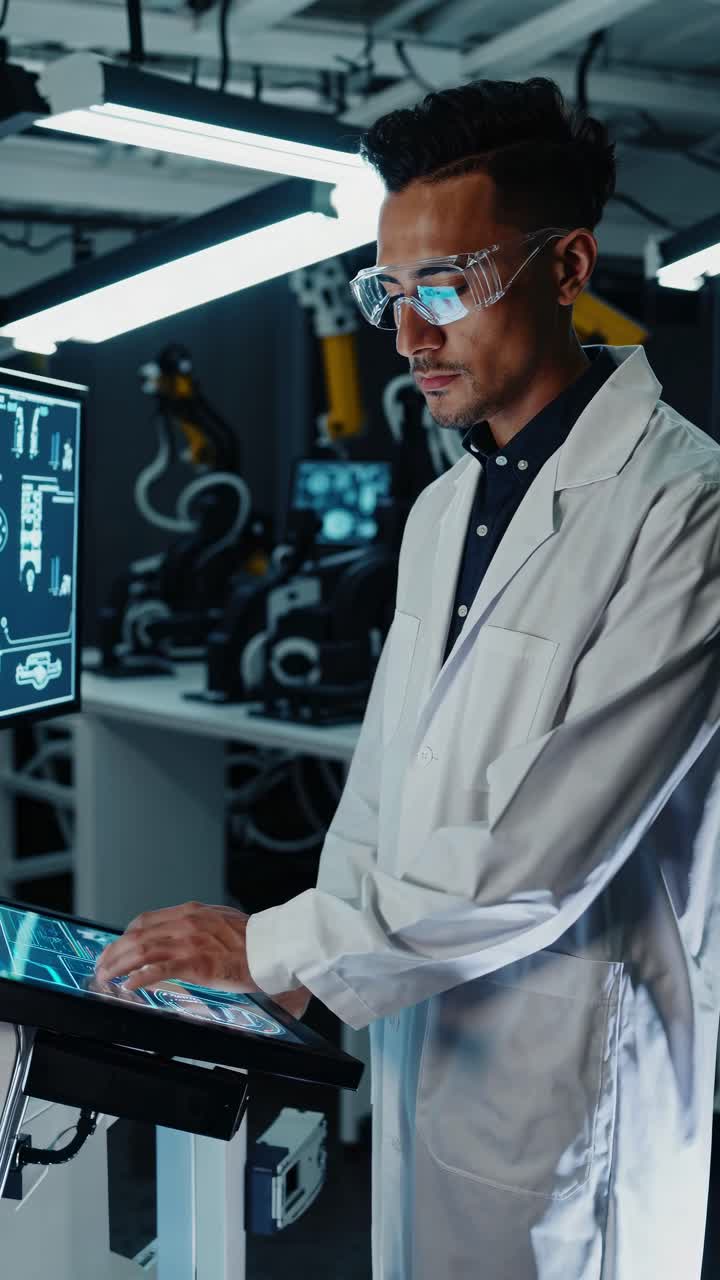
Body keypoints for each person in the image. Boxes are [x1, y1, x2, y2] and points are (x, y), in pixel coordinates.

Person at [97, 78, 720, 1279]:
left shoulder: (683, 511)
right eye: (388, 290)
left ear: (567, 264)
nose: (407, 334)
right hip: (423, 1033)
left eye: (446, 286)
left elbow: (540, 855)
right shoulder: (446, 504)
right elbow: (381, 797)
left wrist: (274, 946)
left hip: (572, 1077)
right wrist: (302, 981)